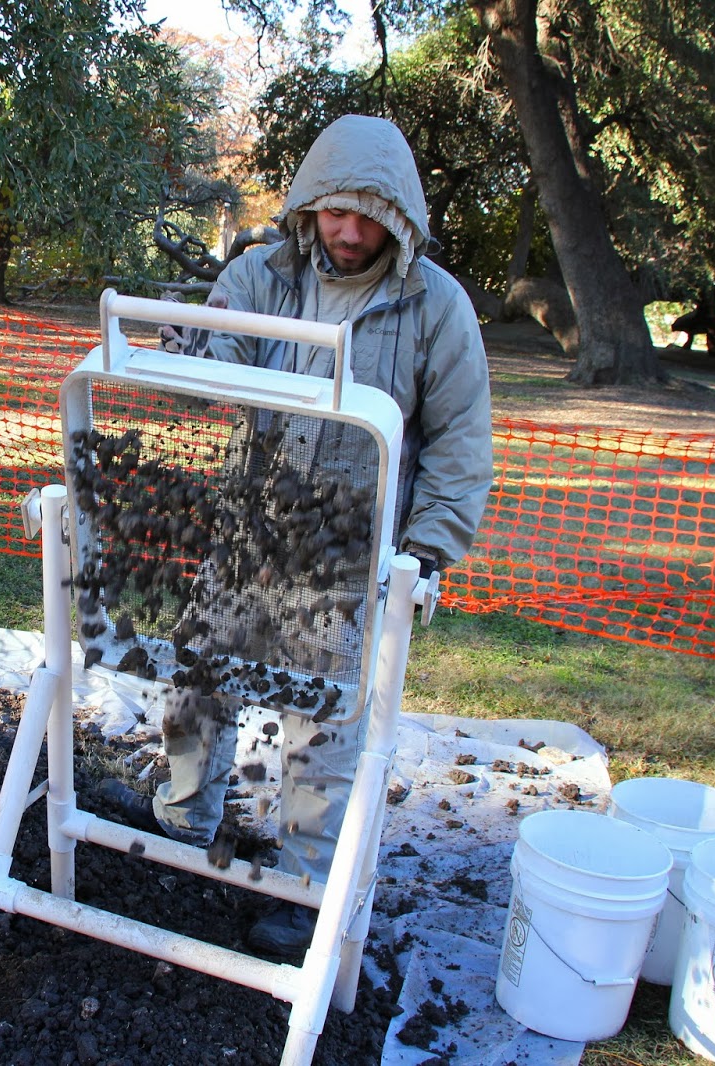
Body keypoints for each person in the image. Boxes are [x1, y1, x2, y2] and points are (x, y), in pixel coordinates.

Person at [99, 113, 493, 958]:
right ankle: (181, 821)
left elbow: (461, 443)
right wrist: (188, 345)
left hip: (349, 554)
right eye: (334, 212)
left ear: (400, 220)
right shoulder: (261, 274)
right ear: (308, 204)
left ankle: (309, 885)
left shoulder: (438, 308)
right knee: (198, 683)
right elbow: (213, 357)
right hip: (246, 530)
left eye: (369, 217)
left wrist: (422, 552)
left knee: (323, 725)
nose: (349, 234)